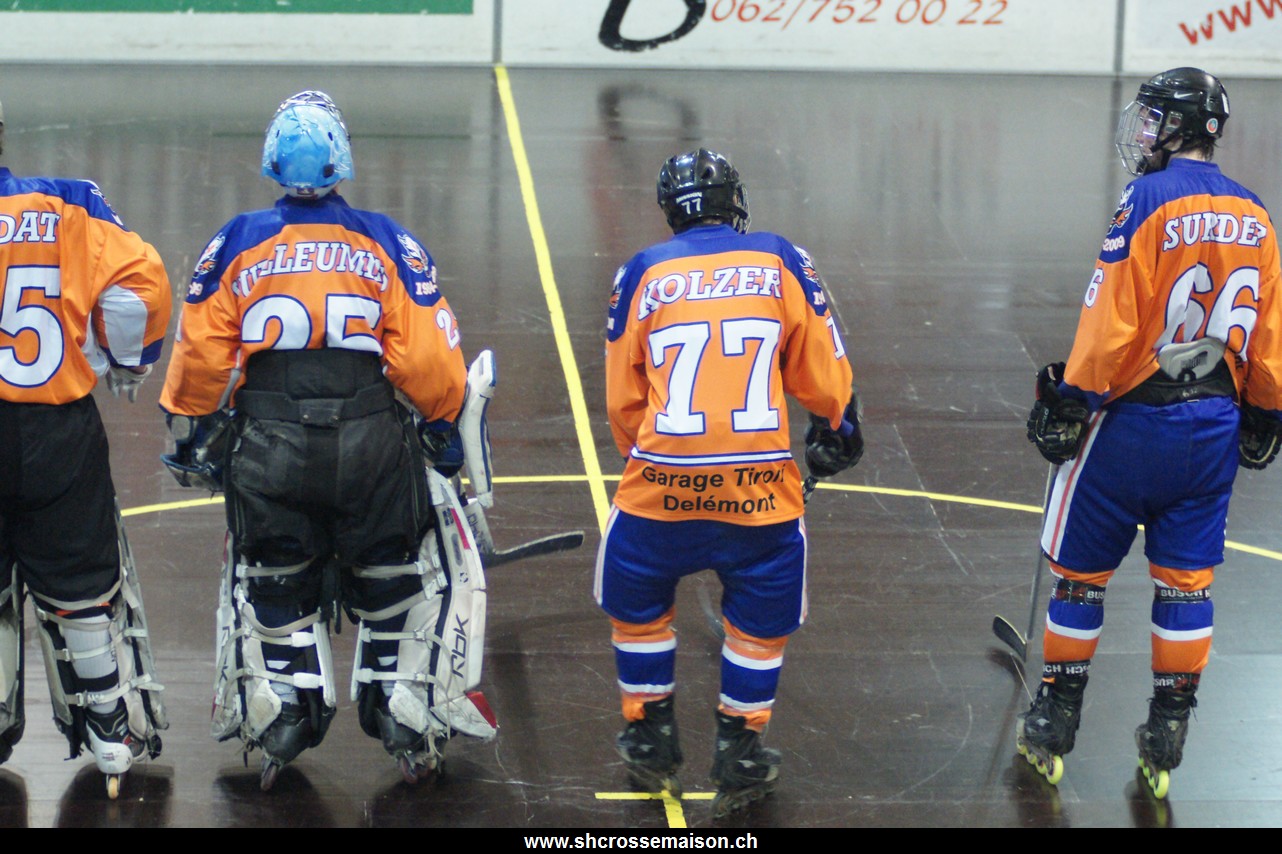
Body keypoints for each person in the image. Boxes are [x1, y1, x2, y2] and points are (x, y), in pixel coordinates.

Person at [159, 90, 494, 791]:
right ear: (342, 160)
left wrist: (191, 427)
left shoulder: (235, 240)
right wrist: (442, 427)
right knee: (392, 569)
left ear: (271, 162)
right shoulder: (386, 240)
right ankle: (400, 711)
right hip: (370, 441)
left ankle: (284, 711)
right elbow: (429, 360)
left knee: (275, 573)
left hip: (268, 445)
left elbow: (199, 353)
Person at [1021, 67, 1282, 799]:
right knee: (1186, 585)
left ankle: (1055, 719)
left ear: (1183, 127)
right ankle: (1169, 731)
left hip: (1131, 425)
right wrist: (1267, 412)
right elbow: (1270, 333)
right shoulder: (1257, 213)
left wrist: (1070, 400)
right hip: (1213, 427)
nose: (1142, 131)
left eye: (1154, 118)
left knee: (1081, 578)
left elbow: (1112, 319)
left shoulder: (1146, 200)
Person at [597, 148, 863, 818]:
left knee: (637, 605)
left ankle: (649, 735)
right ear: (733, 201)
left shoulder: (641, 271)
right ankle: (740, 746)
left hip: (661, 490)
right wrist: (838, 423)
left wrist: (645, 460)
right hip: (759, 495)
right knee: (759, 623)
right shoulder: (779, 258)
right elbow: (822, 371)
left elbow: (624, 397)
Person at [0, 96, 171, 799]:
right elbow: (140, 292)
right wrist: (123, 361)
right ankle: (109, 734)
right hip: (55, 431)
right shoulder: (70, 203)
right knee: (79, 589)